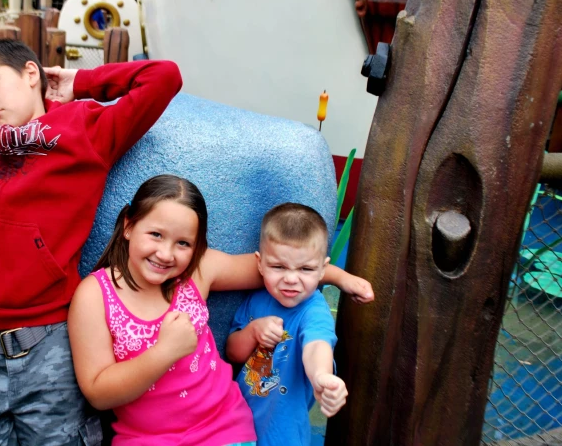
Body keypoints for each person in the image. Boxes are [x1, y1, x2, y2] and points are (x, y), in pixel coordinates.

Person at [0, 39, 182, 445]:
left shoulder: (87, 128)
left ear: (30, 74)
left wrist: (81, 80)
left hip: (49, 348)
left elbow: (163, 78)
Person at [68, 176, 373, 445]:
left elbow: (279, 272)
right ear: (129, 226)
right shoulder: (96, 295)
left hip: (224, 428)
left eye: (183, 243)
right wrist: (165, 352)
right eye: (156, 235)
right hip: (148, 438)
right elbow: (98, 392)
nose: (166, 253)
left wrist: (338, 277)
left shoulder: (197, 271)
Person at [226, 203, 350, 446]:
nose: (291, 279)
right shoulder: (257, 299)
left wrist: (322, 377)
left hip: (284, 432)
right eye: (278, 267)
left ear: (323, 269)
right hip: (236, 424)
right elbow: (233, 353)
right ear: (260, 264)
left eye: (305, 268)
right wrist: (253, 332)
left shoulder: (313, 310)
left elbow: (317, 345)